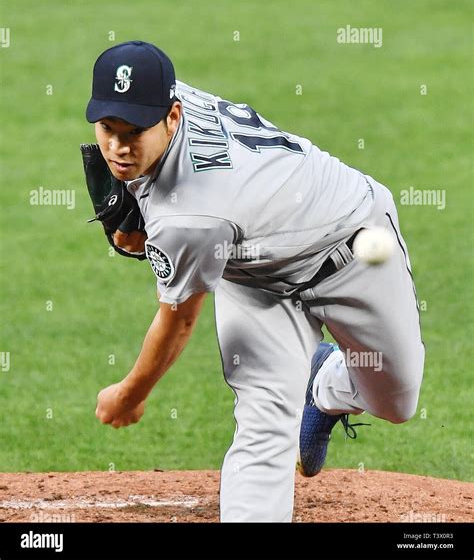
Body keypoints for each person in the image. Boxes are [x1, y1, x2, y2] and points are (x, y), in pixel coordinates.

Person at [88, 41, 424, 522]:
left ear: (173, 114)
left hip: (353, 244)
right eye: (107, 128)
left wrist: (130, 394)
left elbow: (180, 321)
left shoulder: (192, 216)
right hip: (254, 275)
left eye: (134, 131)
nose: (118, 148)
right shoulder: (159, 94)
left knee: (397, 400)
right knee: (264, 429)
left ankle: (325, 387)